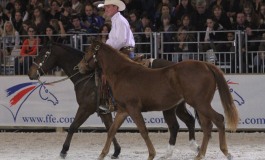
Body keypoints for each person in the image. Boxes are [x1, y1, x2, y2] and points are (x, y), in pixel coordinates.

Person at [97, 0, 135, 112]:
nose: (106, 9)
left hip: (123, 52)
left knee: (109, 74)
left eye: (108, 7)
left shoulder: (120, 21)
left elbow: (121, 40)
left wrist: (107, 51)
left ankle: (113, 102)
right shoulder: (116, 21)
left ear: (115, 7)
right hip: (120, 52)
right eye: (106, 7)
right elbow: (113, 40)